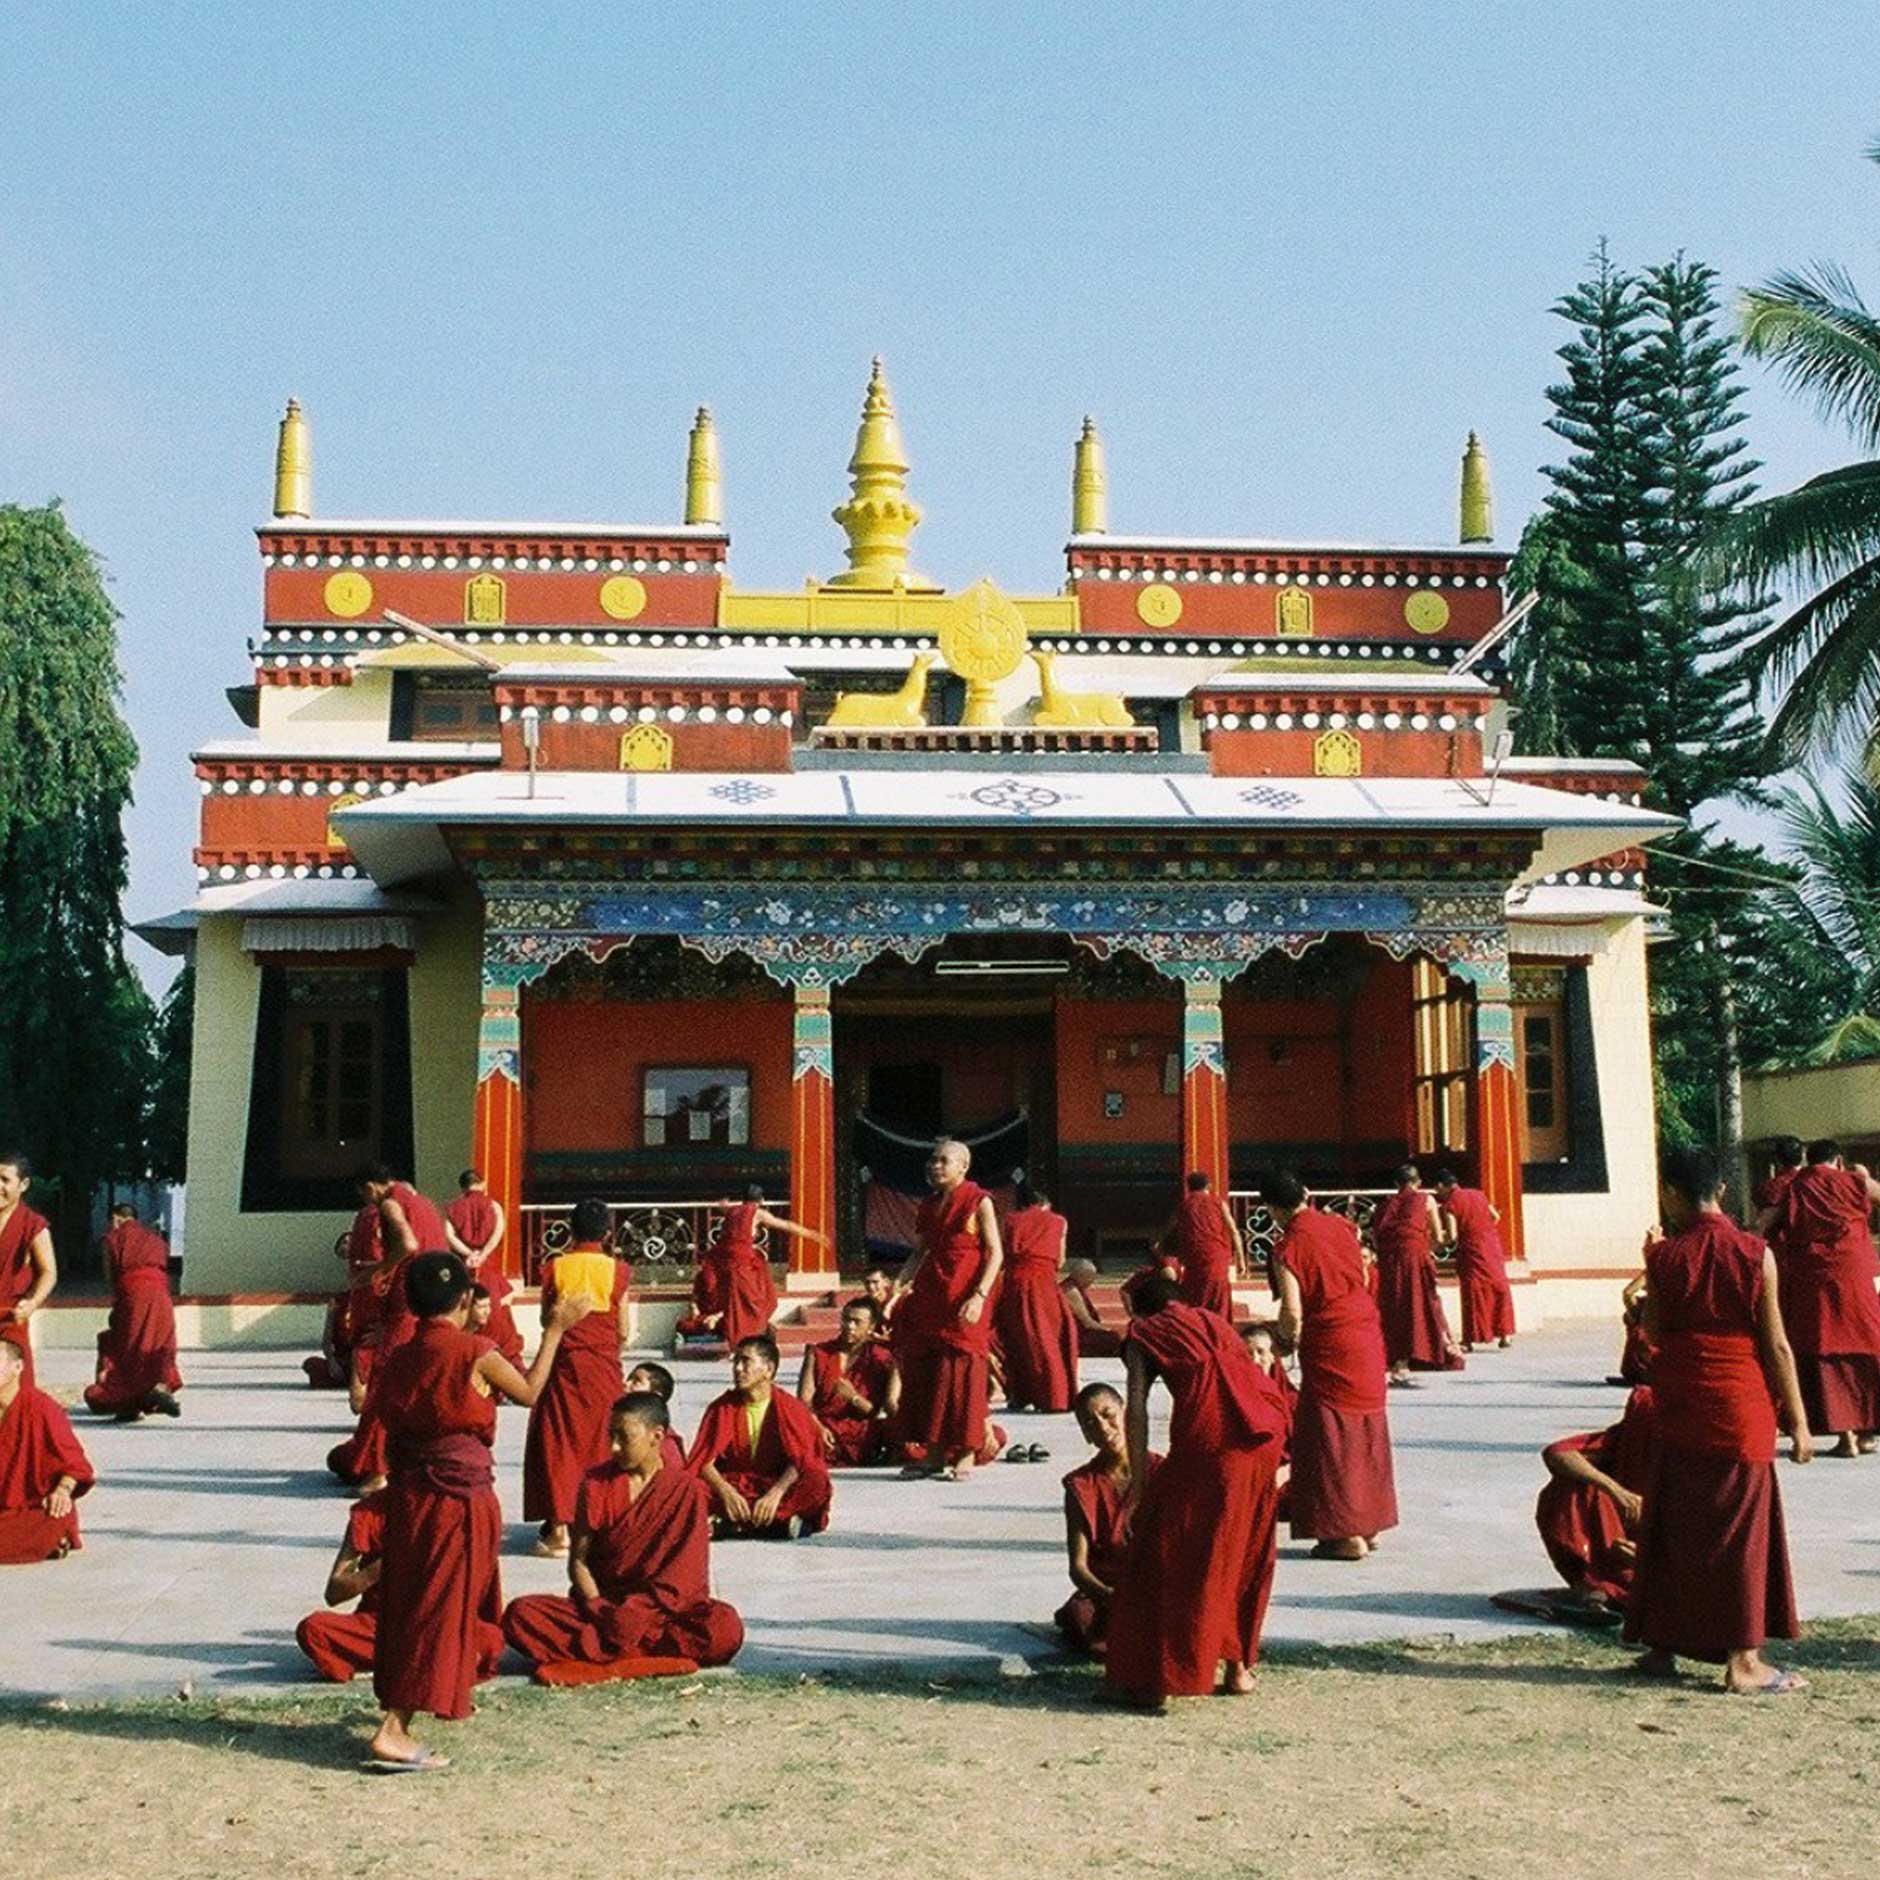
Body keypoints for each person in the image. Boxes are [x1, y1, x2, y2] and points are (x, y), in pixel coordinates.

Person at [365, 1251, 591, 1772]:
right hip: (457, 1498)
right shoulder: (476, 1352)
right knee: (441, 1607)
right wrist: (555, 1328)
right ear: (465, 1299)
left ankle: (400, 1711)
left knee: (409, 1601)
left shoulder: (397, 1356)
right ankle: (395, 1728)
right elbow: (531, 1392)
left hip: (410, 1496)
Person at [1625, 1146, 1811, 1695]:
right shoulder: (1755, 1253)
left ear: (1671, 1194)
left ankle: (1662, 1648)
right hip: (1739, 1404)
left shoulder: (1662, 1258)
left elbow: (1654, 1332)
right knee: (1739, 1533)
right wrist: (1798, 1421)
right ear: (1724, 1192)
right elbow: (1774, 1343)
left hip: (1682, 1398)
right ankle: (1743, 1662)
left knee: (1676, 1523)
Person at [1102, 1275, 1289, 1710]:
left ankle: (1157, 1677)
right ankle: (1239, 1667)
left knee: (1165, 1546)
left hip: (1214, 1439)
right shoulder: (1213, 1320)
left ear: (1139, 1310)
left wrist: (1139, 1490)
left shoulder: (1144, 1333)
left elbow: (1137, 1409)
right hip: (1265, 1432)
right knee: (1245, 1546)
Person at [503, 1392, 745, 1683]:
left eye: (624, 1437)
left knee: (724, 1628)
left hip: (661, 1613)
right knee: (521, 1614)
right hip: (604, 1607)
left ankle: (613, 1648)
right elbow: (578, 1563)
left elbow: (684, 1580)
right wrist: (601, 1609)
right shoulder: (595, 1484)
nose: (614, 1447)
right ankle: (635, 1649)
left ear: (657, 1436)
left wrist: (636, 1614)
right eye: (611, 1436)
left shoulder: (686, 1490)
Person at [1266, 1170, 1398, 1561]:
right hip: (1364, 1331)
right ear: (1306, 1195)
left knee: (1329, 1434)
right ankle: (1369, 1524)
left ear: (1272, 1210)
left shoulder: (1288, 1246)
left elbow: (1292, 1308)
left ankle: (1343, 1535)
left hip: (1330, 1340)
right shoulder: (1341, 1226)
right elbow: (1360, 1272)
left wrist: (1285, 1339)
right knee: (1366, 1427)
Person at [297, 1491, 507, 1685]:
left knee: (490, 1639)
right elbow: (334, 1592)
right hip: (382, 1626)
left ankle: (404, 1664)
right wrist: (379, 1569)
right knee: (313, 1628)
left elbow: (482, 1592)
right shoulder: (371, 1511)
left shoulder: (453, 1507)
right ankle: (427, 1666)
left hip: (438, 1625)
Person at [522, 1198, 634, 1556]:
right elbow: (623, 1329)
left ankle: (558, 1530)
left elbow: (547, 1321)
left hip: (564, 1368)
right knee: (603, 1442)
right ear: (607, 1233)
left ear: (571, 1230)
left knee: (560, 1444)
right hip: (603, 1370)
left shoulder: (555, 1268)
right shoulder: (618, 1271)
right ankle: (601, 1517)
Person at [891, 1139, 1005, 1479]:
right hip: (933, 1295)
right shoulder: (928, 1205)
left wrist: (980, 1296)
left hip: (966, 1298)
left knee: (963, 1374)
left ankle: (967, 1452)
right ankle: (934, 1452)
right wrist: (898, 1288)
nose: (935, 1166)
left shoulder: (978, 1201)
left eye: (943, 1161)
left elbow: (995, 1253)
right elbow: (919, 1252)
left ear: (963, 1166)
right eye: (932, 1161)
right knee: (928, 1372)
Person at [1766, 1140, 1880, 1456]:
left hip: (1813, 1278)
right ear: (1838, 1161)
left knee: (1826, 1353)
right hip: (1854, 1273)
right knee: (1868, 1346)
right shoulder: (1852, 1182)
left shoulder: (1796, 1186)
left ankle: (1846, 1439)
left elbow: (1766, 1224)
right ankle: (1868, 1433)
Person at [689, 1333, 832, 1538]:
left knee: (817, 1481)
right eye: (736, 1361)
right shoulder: (722, 1407)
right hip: (735, 1483)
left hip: (774, 1483)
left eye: (745, 1362)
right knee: (690, 1487)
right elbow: (703, 1460)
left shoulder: (790, 1407)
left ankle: (733, 1526)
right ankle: (777, 1525)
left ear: (768, 1369)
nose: (737, 1368)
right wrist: (726, 1491)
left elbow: (802, 1459)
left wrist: (776, 1493)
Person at [1055, 1382, 1160, 1657]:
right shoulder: (1080, 1485)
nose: (1102, 1427)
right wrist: (1110, 1597)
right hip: (1107, 1592)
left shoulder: (1162, 1471)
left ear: (1125, 1413)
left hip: (1156, 1585)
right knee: (1081, 1617)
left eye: (1108, 1414)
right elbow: (1078, 1567)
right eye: (1090, 1422)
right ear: (1084, 1433)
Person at [1536, 1386, 1660, 1610]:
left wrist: (1649, 1557)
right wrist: (1617, 1491)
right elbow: (1558, 1453)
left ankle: (1613, 1589)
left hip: (1670, 1560)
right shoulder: (1626, 1437)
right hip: (1622, 1546)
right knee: (1572, 1485)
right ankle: (1591, 1583)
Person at [692, 1187, 830, 1350]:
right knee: (755, 1302)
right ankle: (745, 1340)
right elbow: (785, 1225)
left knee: (735, 1303)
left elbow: (724, 1210)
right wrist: (812, 1235)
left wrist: (723, 1206)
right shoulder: (757, 1212)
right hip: (742, 1262)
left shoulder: (732, 1210)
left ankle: (734, 1338)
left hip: (724, 1260)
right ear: (761, 1200)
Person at [0, 1328, 94, 1562]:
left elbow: (75, 1465)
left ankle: (51, 1538)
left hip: (30, 1508)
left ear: (18, 1367)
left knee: (52, 1517)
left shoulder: (41, 1408)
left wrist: (62, 1491)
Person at [84, 1203, 183, 1420]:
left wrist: (118, 1301)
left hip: (132, 1294)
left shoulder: (112, 1238)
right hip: (161, 1295)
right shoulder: (156, 1239)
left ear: (116, 1218)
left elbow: (110, 1277)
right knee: (160, 1345)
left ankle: (128, 1403)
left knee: (128, 1348)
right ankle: (160, 1387)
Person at [1369, 1165, 1462, 1384]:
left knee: (1394, 1305)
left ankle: (1397, 1356)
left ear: (1396, 1184)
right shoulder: (1426, 1200)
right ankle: (1424, 1351)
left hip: (1390, 1261)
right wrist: (1423, 1245)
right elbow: (1438, 1237)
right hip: (1416, 1257)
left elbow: (1375, 1239)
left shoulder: (1384, 1205)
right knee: (1421, 1302)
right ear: (1418, 1182)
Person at [995, 1183, 1078, 1413]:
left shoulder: (1011, 1220)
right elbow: (1060, 1261)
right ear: (1045, 1203)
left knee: (1017, 1340)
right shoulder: (1058, 1221)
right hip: (1044, 1285)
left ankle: (1020, 1395)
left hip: (1014, 1285)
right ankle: (1055, 1397)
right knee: (1047, 1339)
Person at [799, 1298, 898, 1465]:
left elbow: (873, 1411)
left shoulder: (880, 1358)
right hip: (821, 1424)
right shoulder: (819, 1352)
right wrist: (817, 1427)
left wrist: (853, 1397)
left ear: (871, 1326)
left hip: (858, 1429)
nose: (849, 1326)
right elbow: (804, 1400)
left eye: (856, 1322)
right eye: (846, 1319)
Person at [444, 1169, 523, 1364]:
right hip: (487, 1266)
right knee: (496, 1311)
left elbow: (449, 1235)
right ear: (483, 1183)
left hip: (464, 1266)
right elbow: (498, 1233)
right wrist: (483, 1254)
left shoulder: (453, 1208)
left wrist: (469, 1254)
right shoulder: (493, 1206)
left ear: (462, 1186)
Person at [1434, 1170, 1516, 1350]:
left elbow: (1453, 1235)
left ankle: (1469, 1339)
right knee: (1499, 1286)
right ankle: (1505, 1334)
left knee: (1473, 1292)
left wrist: (1438, 1243)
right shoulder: (1479, 1194)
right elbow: (1495, 1216)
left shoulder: (1451, 1204)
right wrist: (1483, 1230)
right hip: (1491, 1245)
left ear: (1441, 1186)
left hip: (1471, 1249)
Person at [0, 1153, 56, 1389]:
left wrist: (32, 1302)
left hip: (11, 1318)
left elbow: (48, 1272)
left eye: (5, 1180)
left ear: (23, 1185)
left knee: (12, 1392)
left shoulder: (32, 1224)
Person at [1158, 1170, 1244, 1320]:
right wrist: (1241, 1259)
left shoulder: (1184, 1206)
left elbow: (1168, 1229)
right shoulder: (1218, 1203)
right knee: (1219, 1304)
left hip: (1194, 1261)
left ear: (1188, 1187)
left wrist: (1158, 1244)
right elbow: (1234, 1231)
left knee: (1195, 1302)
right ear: (1209, 1186)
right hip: (1216, 1258)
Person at [624, 1362, 689, 1469]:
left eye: (636, 1381)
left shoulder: (666, 1443)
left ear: (655, 1396)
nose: (626, 1384)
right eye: (628, 1379)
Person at [1061, 1258, 1123, 1359]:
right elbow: (1087, 1322)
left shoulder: (1075, 1287)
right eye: (1090, 1278)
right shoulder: (1071, 1291)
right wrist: (1108, 1330)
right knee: (1112, 1338)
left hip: (1082, 1332)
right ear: (1081, 1275)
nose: (1091, 1282)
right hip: (1075, 1336)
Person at [1752, 1136, 1806, 1238]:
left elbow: (1758, 1223)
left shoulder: (1768, 1187)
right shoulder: (1812, 1183)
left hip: (1777, 1248)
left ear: (1777, 1159)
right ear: (1803, 1156)